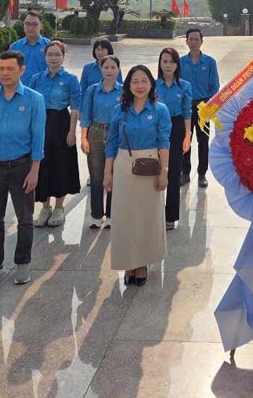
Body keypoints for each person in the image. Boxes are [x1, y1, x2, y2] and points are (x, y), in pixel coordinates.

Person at [0, 51, 46, 287]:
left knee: (25, 218)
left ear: (21, 70)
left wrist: (35, 170)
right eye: (1, 69)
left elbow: (38, 138)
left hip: (22, 167)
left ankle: (22, 262)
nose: (4, 73)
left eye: (10, 69)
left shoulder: (34, 99)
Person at [105, 65, 171, 285]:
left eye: (144, 80)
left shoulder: (160, 109)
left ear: (151, 83)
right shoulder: (120, 110)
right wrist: (108, 172)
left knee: (145, 217)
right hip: (124, 164)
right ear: (128, 85)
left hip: (150, 167)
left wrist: (164, 172)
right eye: (135, 81)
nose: (140, 86)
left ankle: (142, 263)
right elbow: (111, 142)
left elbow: (164, 143)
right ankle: (129, 263)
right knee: (124, 217)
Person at [28, 40, 82, 227]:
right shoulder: (36, 79)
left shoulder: (70, 79)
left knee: (60, 164)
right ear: (45, 57)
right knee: (41, 163)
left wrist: (72, 132)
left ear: (63, 57)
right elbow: (31, 105)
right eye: (50, 54)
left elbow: (75, 107)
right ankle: (45, 206)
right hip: (41, 123)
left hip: (61, 123)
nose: (53, 58)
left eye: (57, 54)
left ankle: (59, 206)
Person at [80, 55, 122, 229]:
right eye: (106, 67)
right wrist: (83, 137)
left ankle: (112, 214)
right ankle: (97, 215)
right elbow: (86, 115)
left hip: (117, 134)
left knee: (114, 175)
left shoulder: (124, 91)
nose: (109, 71)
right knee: (97, 175)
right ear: (101, 69)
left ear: (118, 70)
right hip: (95, 132)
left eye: (113, 67)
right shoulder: (92, 90)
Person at [156, 47, 192, 230]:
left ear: (177, 64)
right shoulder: (153, 85)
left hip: (177, 128)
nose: (168, 65)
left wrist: (188, 134)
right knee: (154, 171)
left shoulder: (184, 86)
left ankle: (170, 216)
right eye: (164, 61)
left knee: (173, 172)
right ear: (160, 64)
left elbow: (187, 112)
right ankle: (153, 214)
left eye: (171, 61)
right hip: (155, 129)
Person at [180, 28, 220, 188]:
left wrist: (209, 105)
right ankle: (185, 173)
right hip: (185, 108)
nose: (194, 42)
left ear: (202, 41)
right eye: (191, 39)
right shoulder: (181, 62)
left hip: (203, 107)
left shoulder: (210, 62)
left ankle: (202, 173)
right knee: (185, 140)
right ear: (187, 41)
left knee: (203, 142)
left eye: (197, 39)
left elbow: (214, 85)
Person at [9, 10, 50, 79]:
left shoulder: (49, 46)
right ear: (23, 25)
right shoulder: (15, 47)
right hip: (21, 88)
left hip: (42, 88)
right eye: (27, 24)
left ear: (41, 26)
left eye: (35, 24)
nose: (30, 27)